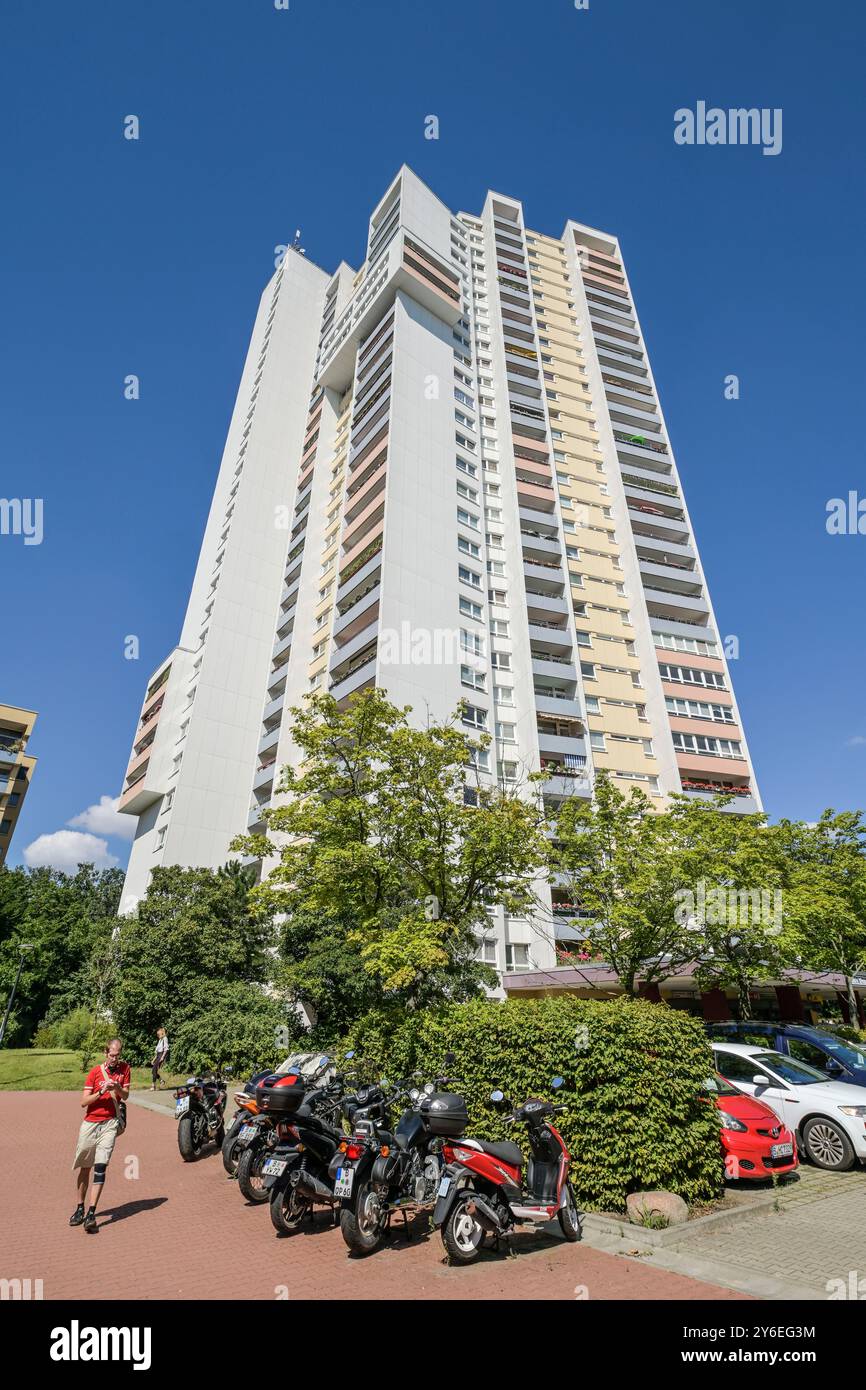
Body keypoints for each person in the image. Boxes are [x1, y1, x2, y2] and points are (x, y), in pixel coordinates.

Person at [70, 1038, 130, 1233]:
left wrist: (117, 1088)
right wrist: (100, 1091)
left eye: (118, 1055)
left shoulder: (125, 1069)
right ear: (106, 1053)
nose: (115, 1059)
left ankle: (91, 1213)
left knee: (101, 1166)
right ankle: (80, 1207)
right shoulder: (95, 1072)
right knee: (85, 1167)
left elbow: (126, 1095)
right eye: (112, 1055)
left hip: (110, 1123)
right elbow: (83, 1102)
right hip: (90, 1123)